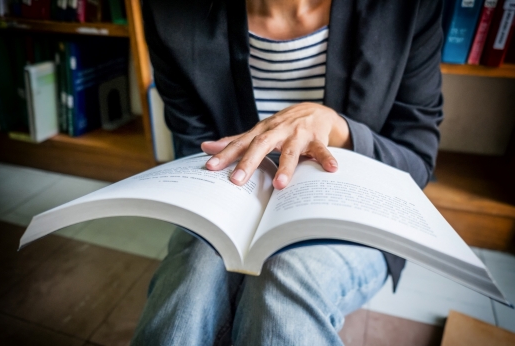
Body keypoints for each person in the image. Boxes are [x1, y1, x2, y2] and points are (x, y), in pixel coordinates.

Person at [131, 0, 444, 344]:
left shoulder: (408, 9)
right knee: (191, 281)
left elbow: (416, 164)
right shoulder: (169, 12)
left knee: (286, 281)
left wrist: (339, 129)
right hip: (230, 205)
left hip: (354, 213)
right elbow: (194, 145)